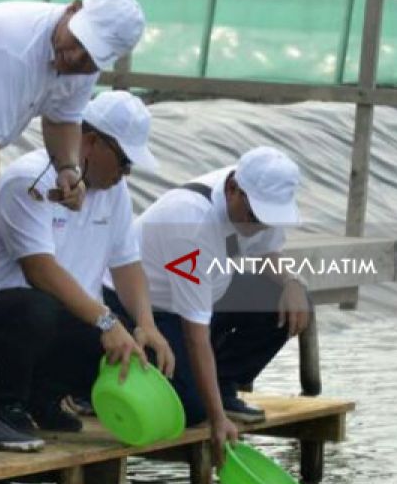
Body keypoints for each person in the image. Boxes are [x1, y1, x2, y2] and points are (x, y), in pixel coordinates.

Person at [0, 0, 145, 451]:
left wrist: (67, 169)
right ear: (73, 8)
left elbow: (62, 118)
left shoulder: (81, 66)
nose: (75, 59)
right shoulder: (13, 48)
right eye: (76, 44)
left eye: (90, 59)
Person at [0, 91, 177, 434]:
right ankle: (6, 402)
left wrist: (146, 325)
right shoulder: (31, 179)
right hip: (0, 320)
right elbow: (39, 270)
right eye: (124, 161)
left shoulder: (115, 192)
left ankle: (46, 398)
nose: (127, 172)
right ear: (92, 142)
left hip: (67, 319)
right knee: (39, 309)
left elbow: (127, 264)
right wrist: (107, 322)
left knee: (135, 344)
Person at [133, 146, 311, 453]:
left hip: (210, 287)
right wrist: (216, 419)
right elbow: (195, 334)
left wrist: (292, 282)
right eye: (254, 217)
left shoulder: (257, 197)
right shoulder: (191, 223)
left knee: (283, 297)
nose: (259, 226)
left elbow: (265, 252)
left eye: (268, 219)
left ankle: (223, 384)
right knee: (193, 411)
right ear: (232, 190)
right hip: (150, 307)